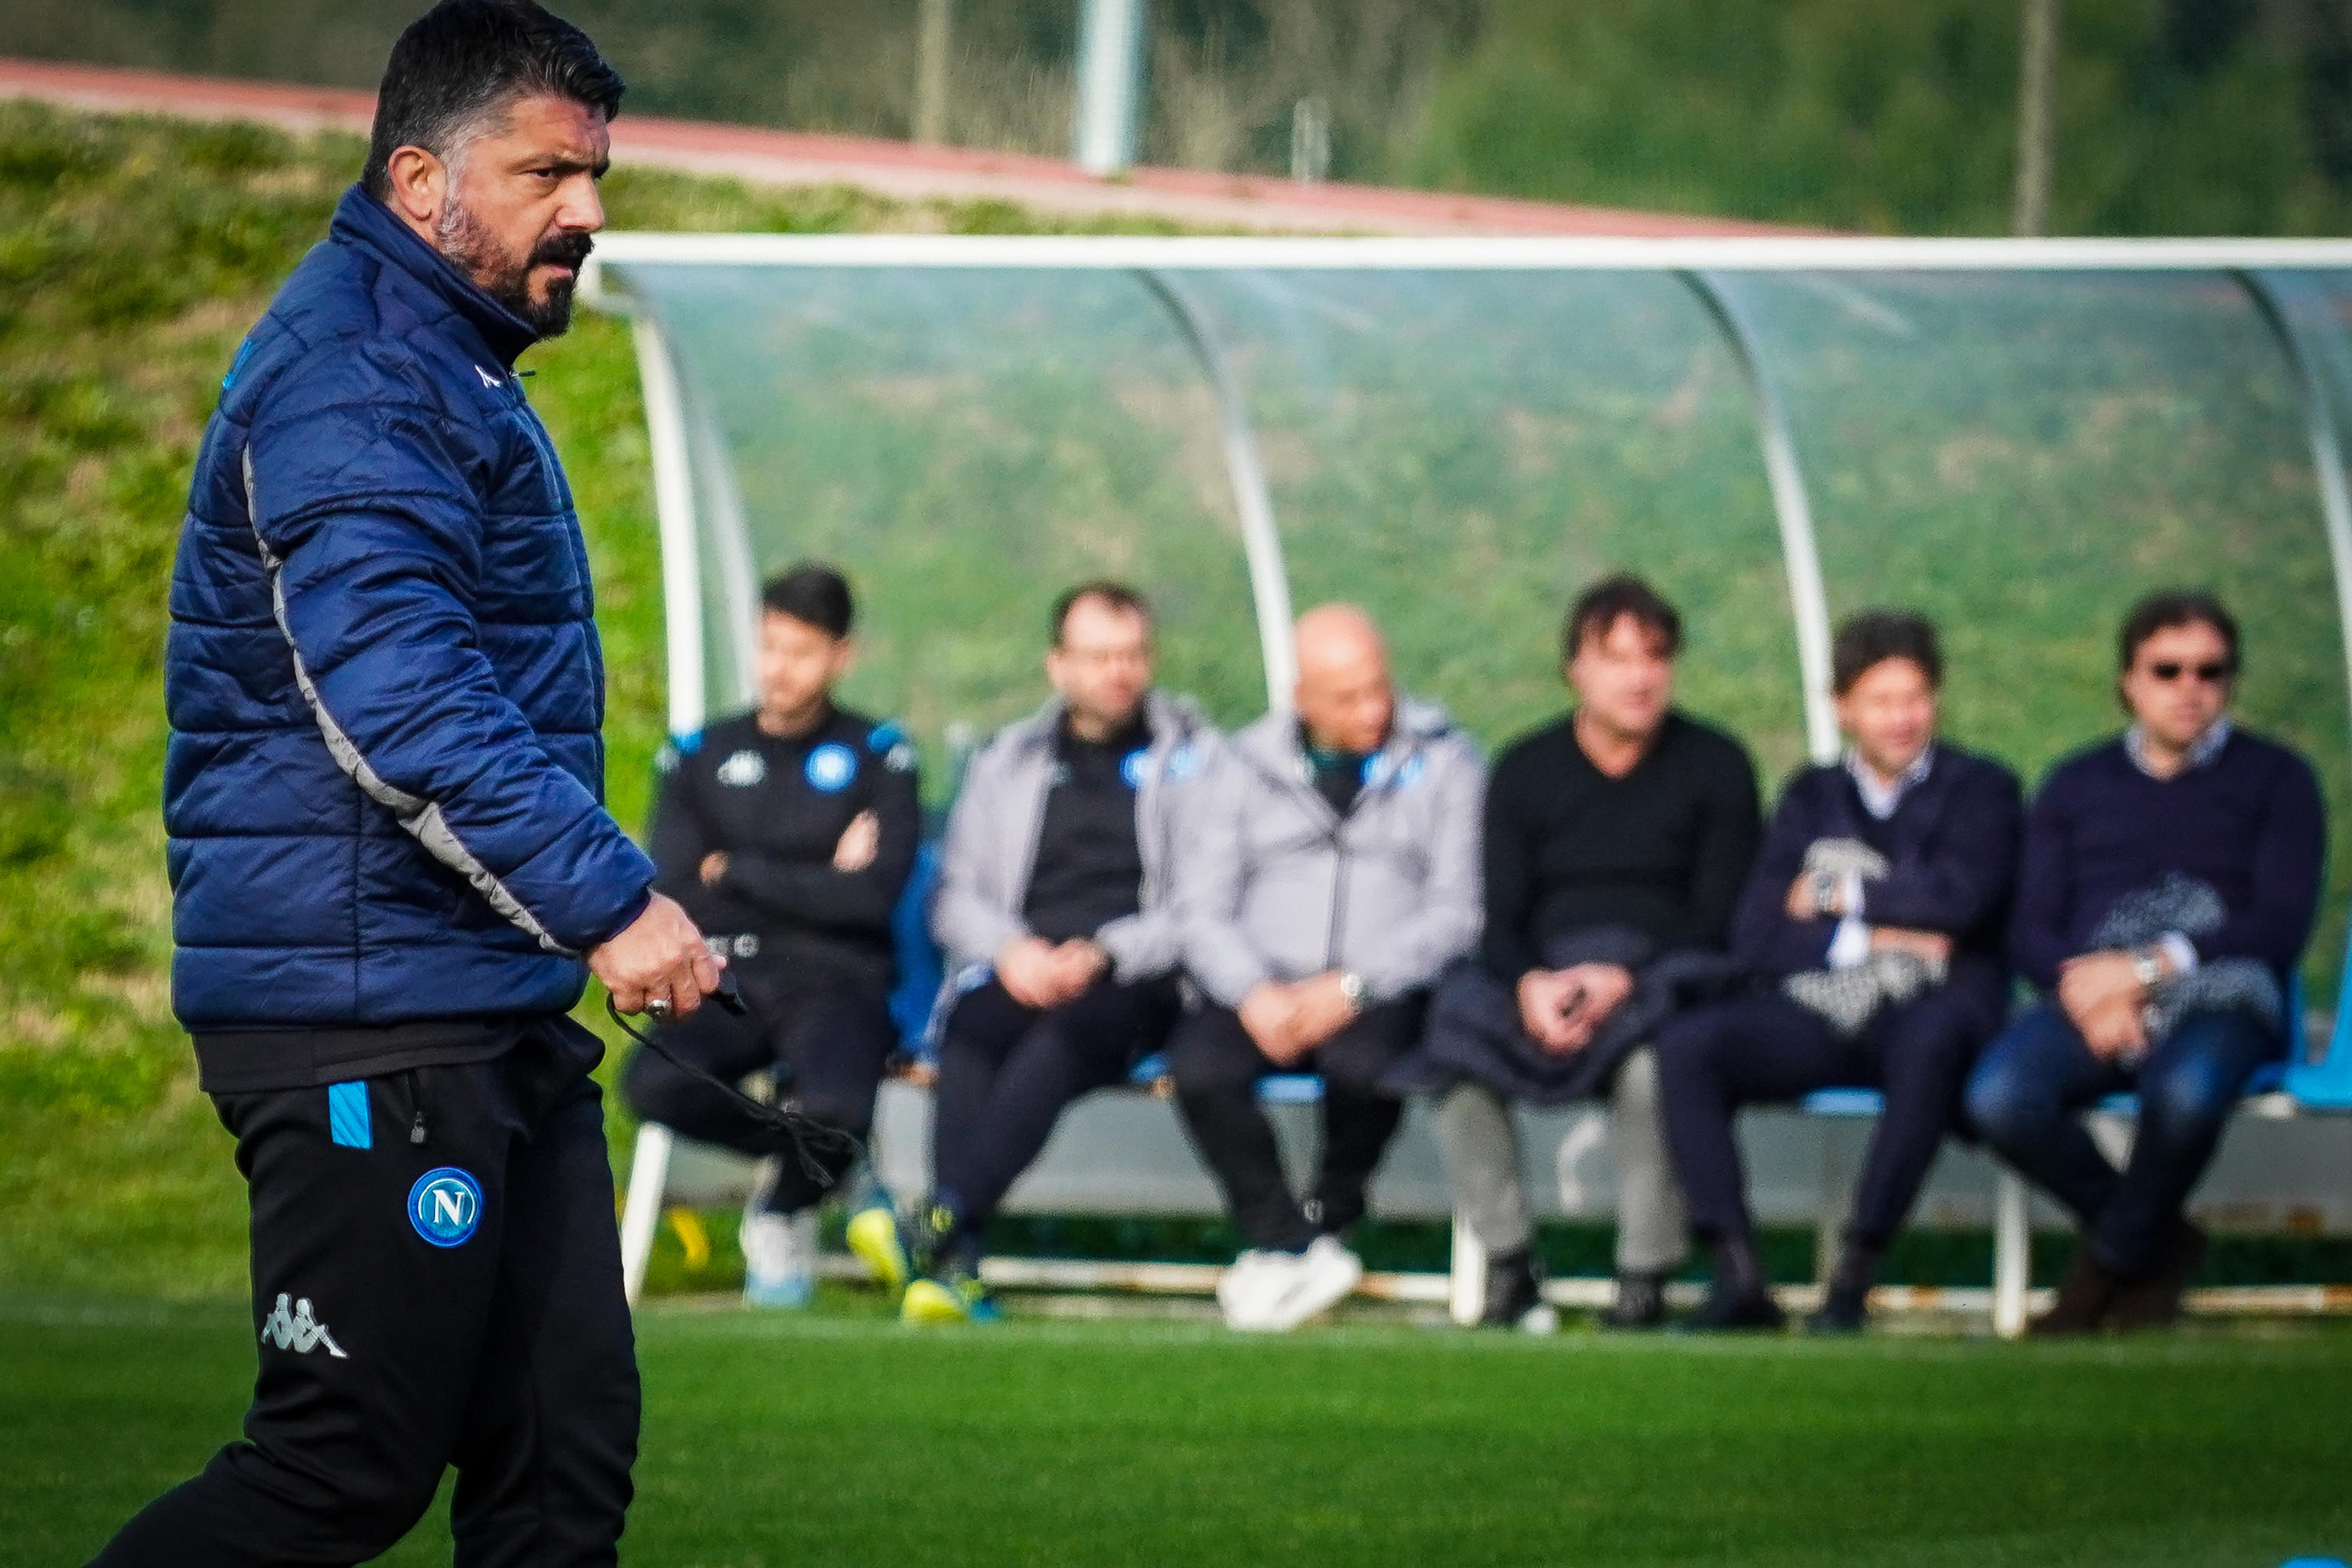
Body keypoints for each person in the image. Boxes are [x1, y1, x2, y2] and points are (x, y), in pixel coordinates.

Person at [107, 5, 717, 1562]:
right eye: (547, 174)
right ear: (419, 178)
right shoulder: (361, 376)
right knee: (338, 1472)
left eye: (595, 173)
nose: (585, 209)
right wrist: (609, 896)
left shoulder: (443, 362)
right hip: (366, 1015)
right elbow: (404, 701)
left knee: (559, 1471)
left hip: (475, 1005)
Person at [1402, 574, 1761, 1331]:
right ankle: (1510, 1266)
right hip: (1545, 967)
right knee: (1454, 1052)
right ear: (1576, 670)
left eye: (1655, 656)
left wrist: (1620, 979)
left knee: (1652, 1066)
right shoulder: (1527, 768)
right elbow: (1497, 918)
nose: (1639, 676)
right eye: (1617, 657)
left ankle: (1643, 1276)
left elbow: (1720, 916)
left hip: (1664, 970)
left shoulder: (1718, 765)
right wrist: (1532, 983)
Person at [1966, 591, 2324, 1334]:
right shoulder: (2074, 782)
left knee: (2188, 1093)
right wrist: (2092, 988)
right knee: (1999, 1096)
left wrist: (2148, 969)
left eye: (2210, 670)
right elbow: (2029, 924)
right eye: (2168, 669)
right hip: (2089, 995)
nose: (2190, 687)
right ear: (2129, 679)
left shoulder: (2280, 780)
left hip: (2223, 990)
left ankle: (2104, 1271)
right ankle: (2159, 1241)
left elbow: (2280, 924)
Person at [1655, 612, 2024, 1331]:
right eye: (1882, 702)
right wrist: (1876, 938)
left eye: (1915, 698)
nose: (1902, 718)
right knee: (1688, 1047)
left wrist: (1834, 895)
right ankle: (1739, 1278)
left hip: (1935, 1007)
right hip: (1825, 1006)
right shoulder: (1809, 797)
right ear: (1842, 707)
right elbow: (1758, 933)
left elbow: (1965, 900)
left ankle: (1854, 1277)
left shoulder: (1983, 789)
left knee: (1931, 1044)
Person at [908, 583, 1220, 1323]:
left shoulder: (1196, 761)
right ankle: (959, 1263)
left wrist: (1104, 953)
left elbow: (1201, 906)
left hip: (1135, 977)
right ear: (1059, 666)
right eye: (1100, 656)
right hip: (1022, 964)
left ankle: (945, 1216)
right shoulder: (1007, 761)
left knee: (1069, 1032)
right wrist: (1012, 950)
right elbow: (954, 896)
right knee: (974, 1027)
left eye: (1133, 654)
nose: (1120, 671)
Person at [1174, 605, 1484, 1331]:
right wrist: (1253, 991)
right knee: (1201, 1070)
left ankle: (1327, 1220)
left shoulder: (1446, 760)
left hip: (1383, 983)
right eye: (1347, 697)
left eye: (1380, 688)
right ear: (1301, 697)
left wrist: (1354, 986)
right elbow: (1201, 908)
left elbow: (1458, 912)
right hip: (1263, 981)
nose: (1373, 710)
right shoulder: (1239, 765)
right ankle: (1288, 1242)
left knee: (1365, 1069)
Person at [625, 564, 920, 1308]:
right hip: (725, 974)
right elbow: (677, 887)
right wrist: (817, 872)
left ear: (840, 655)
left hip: (834, 976)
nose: (780, 668)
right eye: (770, 646)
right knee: (651, 1081)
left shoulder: (881, 755)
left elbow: (871, 898)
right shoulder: (696, 754)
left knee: (840, 1107)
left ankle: (784, 1209)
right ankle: (825, 1166)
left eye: (802, 650)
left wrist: (738, 867)